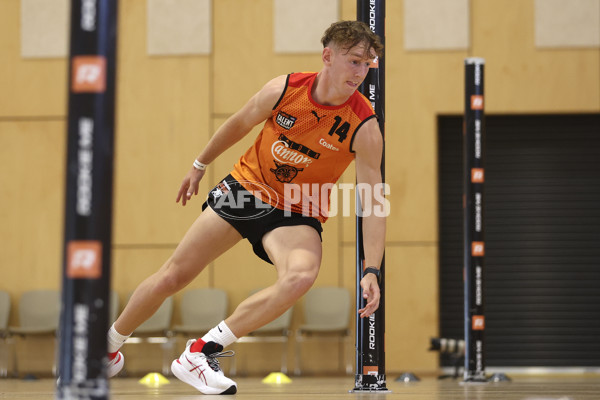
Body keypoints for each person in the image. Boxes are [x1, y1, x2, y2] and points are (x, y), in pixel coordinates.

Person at [106, 20, 385, 395]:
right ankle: (105, 352)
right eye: (354, 61)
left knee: (300, 277)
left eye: (367, 64)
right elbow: (238, 124)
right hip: (246, 189)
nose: (360, 72)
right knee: (174, 275)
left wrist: (371, 269)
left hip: (297, 212)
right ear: (327, 56)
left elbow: (373, 201)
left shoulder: (363, 126)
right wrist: (199, 165)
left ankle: (201, 352)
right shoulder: (284, 90)